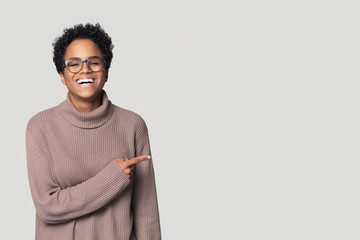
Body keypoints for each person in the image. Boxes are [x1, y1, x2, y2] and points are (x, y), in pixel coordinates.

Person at [25, 23, 161, 240]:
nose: (85, 70)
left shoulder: (133, 125)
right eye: (74, 64)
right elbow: (48, 207)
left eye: (94, 63)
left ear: (106, 72)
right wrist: (113, 178)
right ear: (62, 75)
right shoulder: (40, 127)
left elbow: (147, 213)